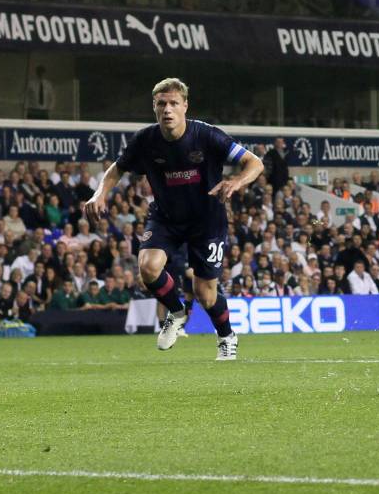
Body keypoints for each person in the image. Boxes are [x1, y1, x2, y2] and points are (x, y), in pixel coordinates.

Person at [84, 77, 264, 360]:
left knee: (204, 293)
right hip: (166, 217)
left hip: (206, 220)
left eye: (173, 103)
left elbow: (255, 162)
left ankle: (227, 336)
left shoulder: (207, 135)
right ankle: (177, 313)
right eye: (161, 104)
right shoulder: (145, 140)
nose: (167, 109)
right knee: (148, 267)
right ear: (154, 107)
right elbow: (116, 170)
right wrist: (99, 194)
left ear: (185, 107)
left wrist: (237, 181)